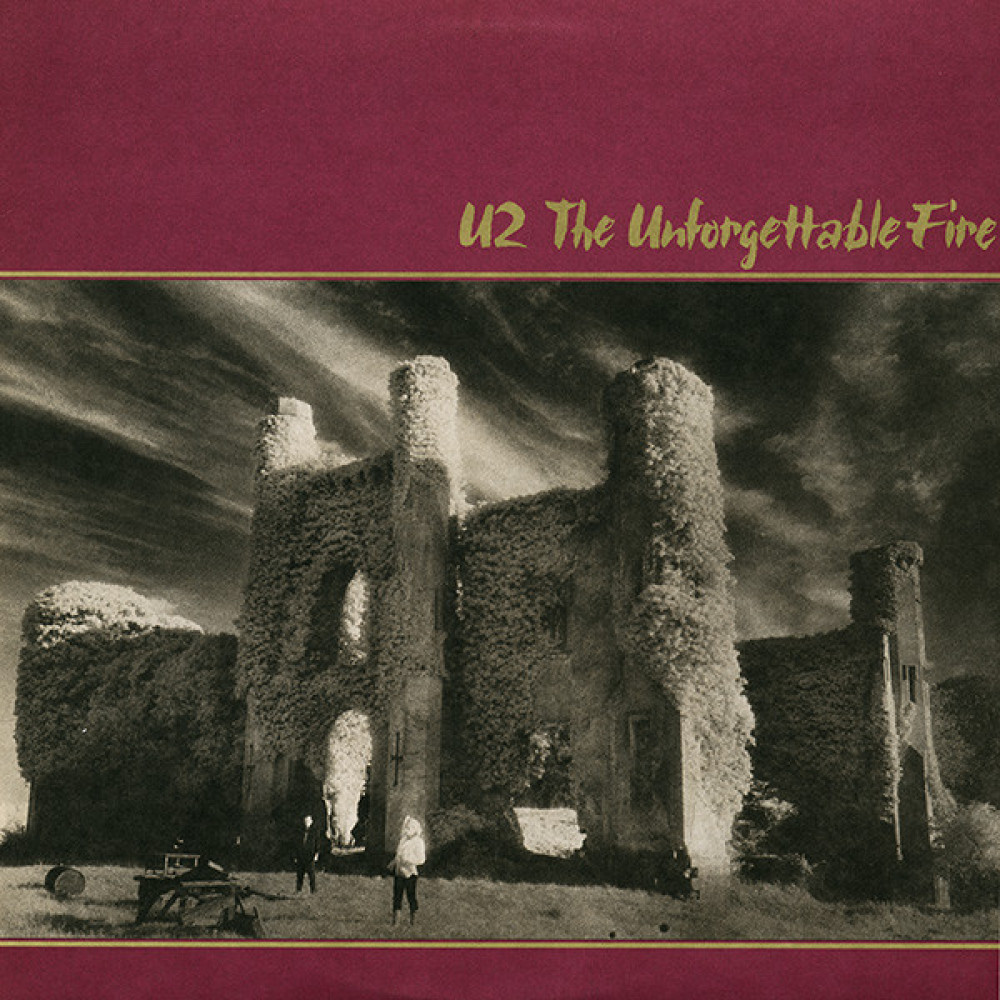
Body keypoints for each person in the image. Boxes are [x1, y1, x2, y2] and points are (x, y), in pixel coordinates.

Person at [390, 815, 426, 925]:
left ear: (415, 829)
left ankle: (413, 919)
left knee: (411, 895)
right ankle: (396, 921)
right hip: (399, 872)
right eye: (405, 828)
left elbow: (421, 859)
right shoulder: (403, 840)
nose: (406, 830)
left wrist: (408, 860)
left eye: (409, 828)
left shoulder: (418, 842)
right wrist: (394, 862)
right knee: (397, 895)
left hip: (410, 873)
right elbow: (398, 854)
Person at [293, 813, 321, 894]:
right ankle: (298, 889)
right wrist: (296, 856)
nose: (306, 822)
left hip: (310, 856)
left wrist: (316, 854)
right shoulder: (300, 832)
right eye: (305, 821)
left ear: (311, 822)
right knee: (300, 874)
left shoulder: (315, 832)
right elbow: (297, 844)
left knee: (311, 874)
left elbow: (318, 844)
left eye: (308, 821)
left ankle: (313, 890)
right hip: (301, 856)